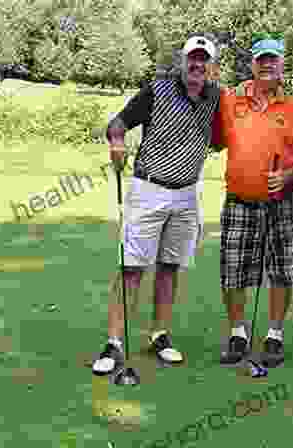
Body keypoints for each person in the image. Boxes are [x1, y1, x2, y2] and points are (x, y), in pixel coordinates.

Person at [92, 35, 221, 375]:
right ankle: (115, 342)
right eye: (192, 58)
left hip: (187, 194)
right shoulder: (158, 90)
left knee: (169, 267)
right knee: (132, 267)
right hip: (149, 189)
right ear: (182, 61)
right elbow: (117, 124)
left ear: (211, 66)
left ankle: (160, 335)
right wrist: (117, 143)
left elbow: (222, 138)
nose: (196, 65)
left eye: (203, 60)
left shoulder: (215, 98)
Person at [212, 33, 293, 368]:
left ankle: (274, 336)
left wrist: (289, 175)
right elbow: (214, 140)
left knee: (280, 271)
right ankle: (238, 332)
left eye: (273, 59)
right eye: (261, 60)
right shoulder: (230, 100)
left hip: (281, 201)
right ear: (252, 65)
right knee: (233, 269)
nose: (267, 65)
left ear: (283, 64)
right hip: (239, 199)